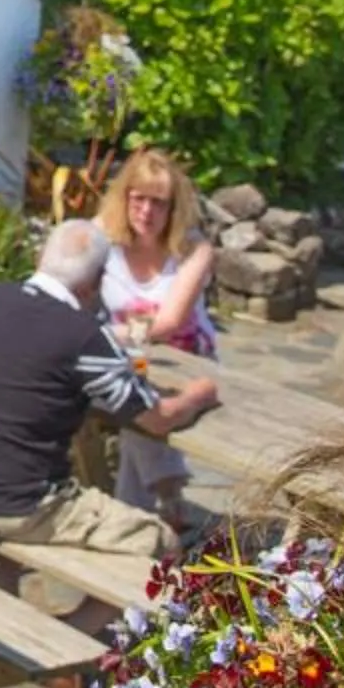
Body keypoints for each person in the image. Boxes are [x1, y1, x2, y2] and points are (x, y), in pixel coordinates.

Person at [0, 218, 221, 561]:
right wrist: (199, 395)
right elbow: (157, 419)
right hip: (17, 507)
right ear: (95, 283)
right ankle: (99, 604)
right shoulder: (83, 335)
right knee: (163, 541)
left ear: (40, 260)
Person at [95, 148, 219, 525]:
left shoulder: (194, 250)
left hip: (185, 360)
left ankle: (140, 513)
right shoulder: (103, 235)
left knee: (139, 409)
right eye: (139, 199)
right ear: (124, 198)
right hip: (127, 356)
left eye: (159, 203)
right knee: (135, 403)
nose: (146, 211)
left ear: (174, 208)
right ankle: (166, 496)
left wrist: (99, 334)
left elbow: (169, 323)